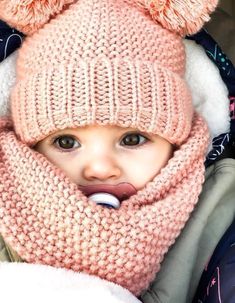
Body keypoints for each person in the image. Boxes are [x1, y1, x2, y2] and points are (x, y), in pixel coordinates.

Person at [0, 0, 233, 302]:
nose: (100, 167)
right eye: (66, 142)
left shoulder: (215, 206)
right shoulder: (8, 205)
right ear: (30, 147)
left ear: (176, 142)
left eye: (133, 139)